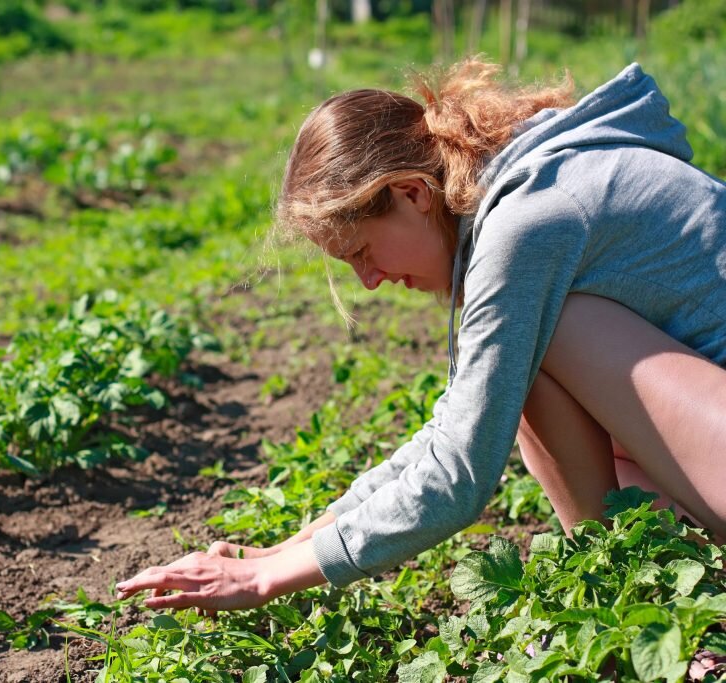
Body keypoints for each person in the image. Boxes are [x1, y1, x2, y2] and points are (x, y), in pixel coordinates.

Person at [115, 60, 726, 614]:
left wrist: (265, 582)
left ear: (411, 192)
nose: (372, 281)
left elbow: (460, 469)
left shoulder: (529, 223)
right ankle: (634, 593)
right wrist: (281, 550)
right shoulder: (519, 188)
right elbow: (455, 430)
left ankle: (627, 605)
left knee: (550, 338)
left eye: (362, 253)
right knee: (528, 366)